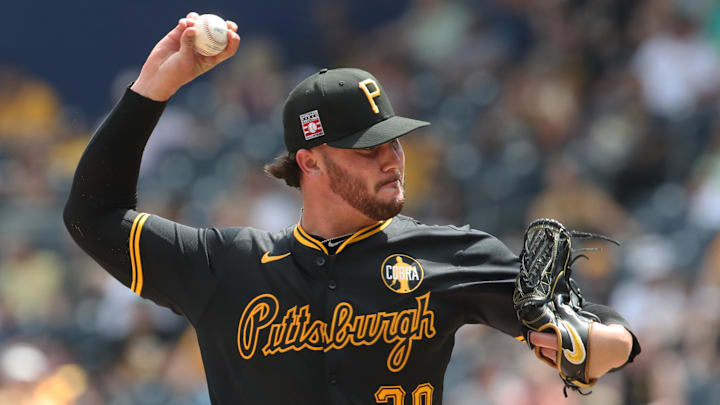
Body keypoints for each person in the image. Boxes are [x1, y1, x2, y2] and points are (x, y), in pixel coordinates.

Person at [64, 12, 639, 404]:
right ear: (310, 162)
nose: (392, 159)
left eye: (394, 141)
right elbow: (93, 214)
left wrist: (587, 342)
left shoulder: (450, 255)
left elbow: (616, 337)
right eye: (368, 149)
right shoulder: (226, 267)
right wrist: (150, 91)